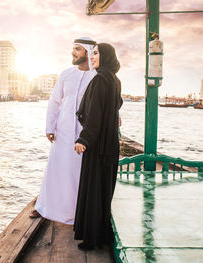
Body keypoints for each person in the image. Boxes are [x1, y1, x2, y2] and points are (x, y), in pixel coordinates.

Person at [29, 37, 97, 225]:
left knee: (79, 171)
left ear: (88, 52)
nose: (73, 53)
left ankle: (78, 212)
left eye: (77, 49)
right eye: (73, 49)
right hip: (63, 129)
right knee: (56, 168)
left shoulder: (97, 76)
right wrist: (50, 126)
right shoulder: (66, 74)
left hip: (86, 133)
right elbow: (54, 101)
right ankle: (45, 207)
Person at [73, 43, 123, 250]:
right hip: (110, 143)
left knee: (93, 190)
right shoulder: (114, 79)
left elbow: (94, 114)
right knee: (103, 191)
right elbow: (116, 104)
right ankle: (101, 234)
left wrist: (83, 139)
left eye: (96, 53)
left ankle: (91, 239)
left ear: (106, 56)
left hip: (97, 145)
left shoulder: (100, 80)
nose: (92, 57)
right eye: (91, 53)